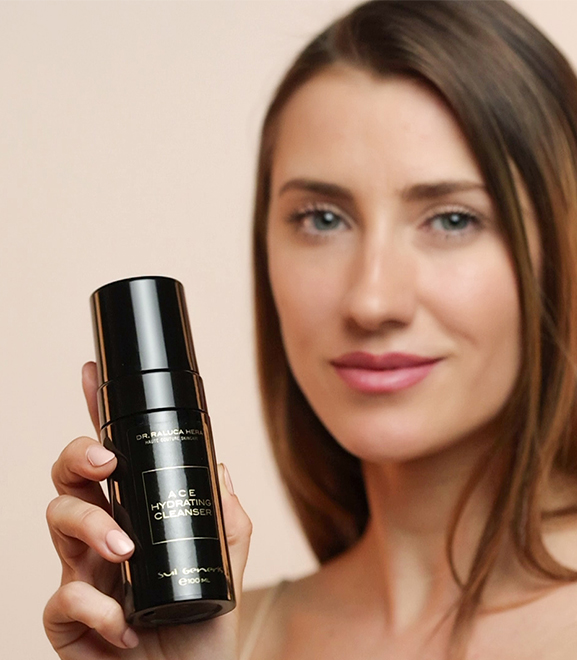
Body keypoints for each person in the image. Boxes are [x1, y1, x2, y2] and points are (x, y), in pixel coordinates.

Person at [44, 1, 577, 658]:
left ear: (561, 248)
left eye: (452, 219)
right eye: (322, 219)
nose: (371, 300)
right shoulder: (224, 639)